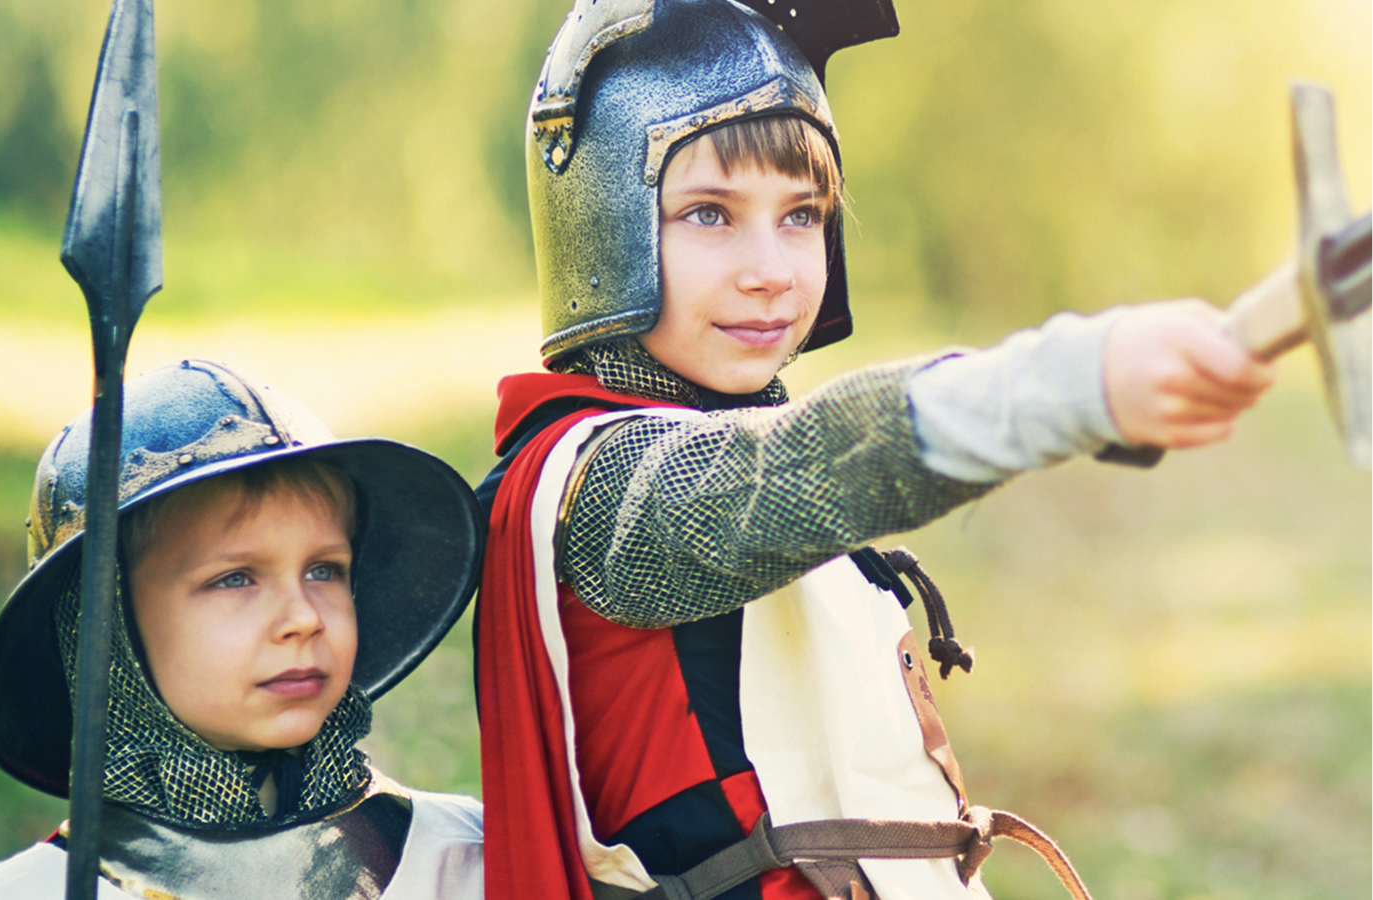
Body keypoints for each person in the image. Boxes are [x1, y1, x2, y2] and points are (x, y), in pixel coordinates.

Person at [475, 1, 1275, 899]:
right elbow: (788, 475)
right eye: (708, 213)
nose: (772, 269)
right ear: (598, 226)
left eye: (801, 214)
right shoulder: (608, 491)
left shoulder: (720, 435)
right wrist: (1063, 387)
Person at [0, 359, 486, 900]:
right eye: (235, 579)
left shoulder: (475, 861)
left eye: (324, 570)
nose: (305, 617)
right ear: (108, 634)